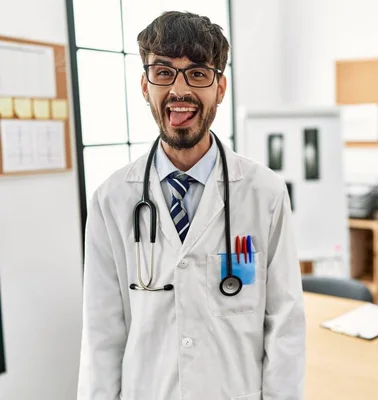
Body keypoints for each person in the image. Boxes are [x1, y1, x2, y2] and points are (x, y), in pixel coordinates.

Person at [77, 11, 306, 400]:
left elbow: (285, 326)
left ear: (220, 88)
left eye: (198, 73)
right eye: (163, 72)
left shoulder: (264, 193)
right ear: (144, 86)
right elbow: (101, 337)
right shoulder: (111, 200)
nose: (179, 90)